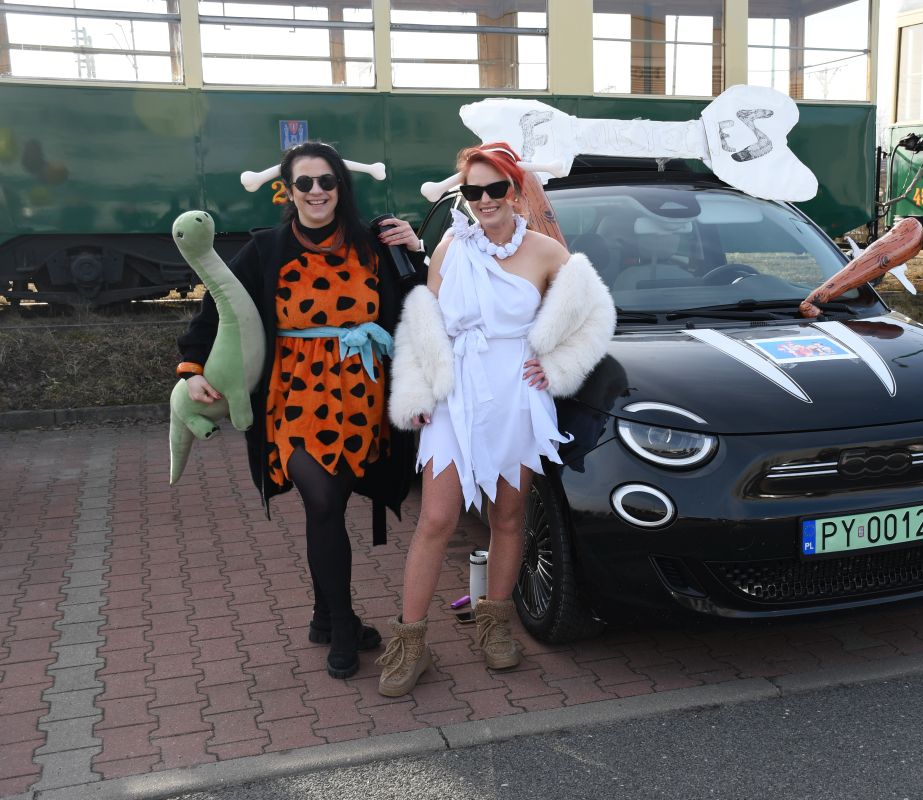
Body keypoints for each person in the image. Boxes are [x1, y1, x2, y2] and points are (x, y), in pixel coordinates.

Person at [176, 140, 424, 679]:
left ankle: (322, 614)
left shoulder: (373, 244)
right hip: (292, 396)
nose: (316, 191)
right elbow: (219, 303)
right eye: (304, 183)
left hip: (360, 396)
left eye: (326, 181)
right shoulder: (266, 249)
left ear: (341, 187)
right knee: (323, 500)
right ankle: (343, 625)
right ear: (287, 191)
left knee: (329, 504)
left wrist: (417, 250)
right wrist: (192, 366)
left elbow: (420, 303)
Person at [379, 142, 615, 697]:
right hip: (455, 392)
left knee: (507, 517)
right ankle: (410, 642)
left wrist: (557, 367)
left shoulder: (547, 252)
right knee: (436, 518)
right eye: (472, 191)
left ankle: (495, 625)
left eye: (495, 188)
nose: (484, 200)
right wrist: (418, 388)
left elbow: (596, 315)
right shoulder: (449, 248)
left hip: (515, 395)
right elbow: (425, 322)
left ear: (515, 190)